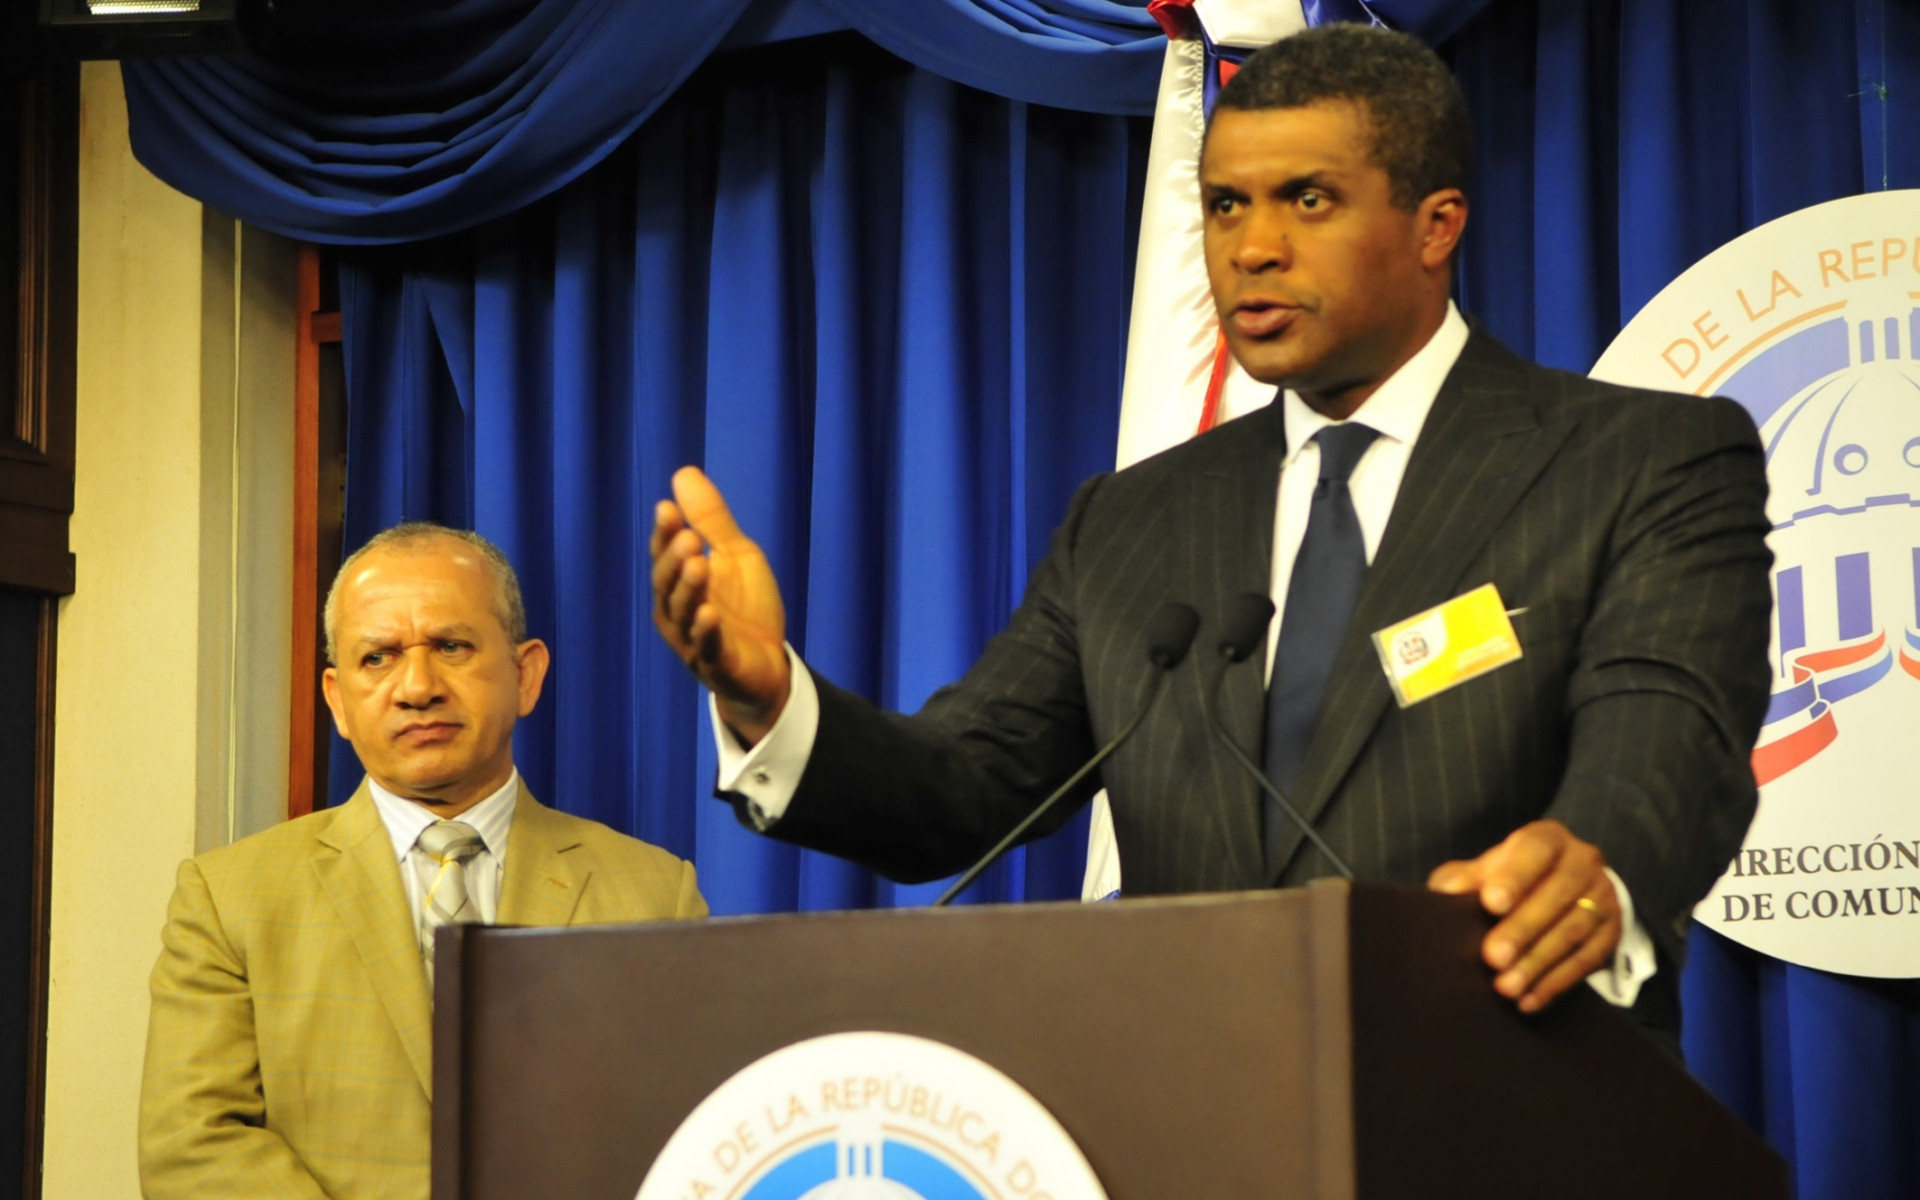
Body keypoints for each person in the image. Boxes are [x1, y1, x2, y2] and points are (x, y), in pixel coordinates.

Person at [650, 25, 1771, 1041]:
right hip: (1198, 1108)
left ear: (1436, 226)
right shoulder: (1133, 519)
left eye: (1307, 200)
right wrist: (770, 699)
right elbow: (963, 787)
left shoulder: (1638, 461)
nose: (1252, 248)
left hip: (1506, 1086)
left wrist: (1597, 865)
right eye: (1226, 205)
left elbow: (1668, 731)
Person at [140, 524, 706, 1200]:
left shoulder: (655, 894)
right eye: (377, 657)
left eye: (450, 646)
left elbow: (693, 1138)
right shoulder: (229, 896)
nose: (416, 687)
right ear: (337, 700)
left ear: (525, 675)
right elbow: (191, 1145)